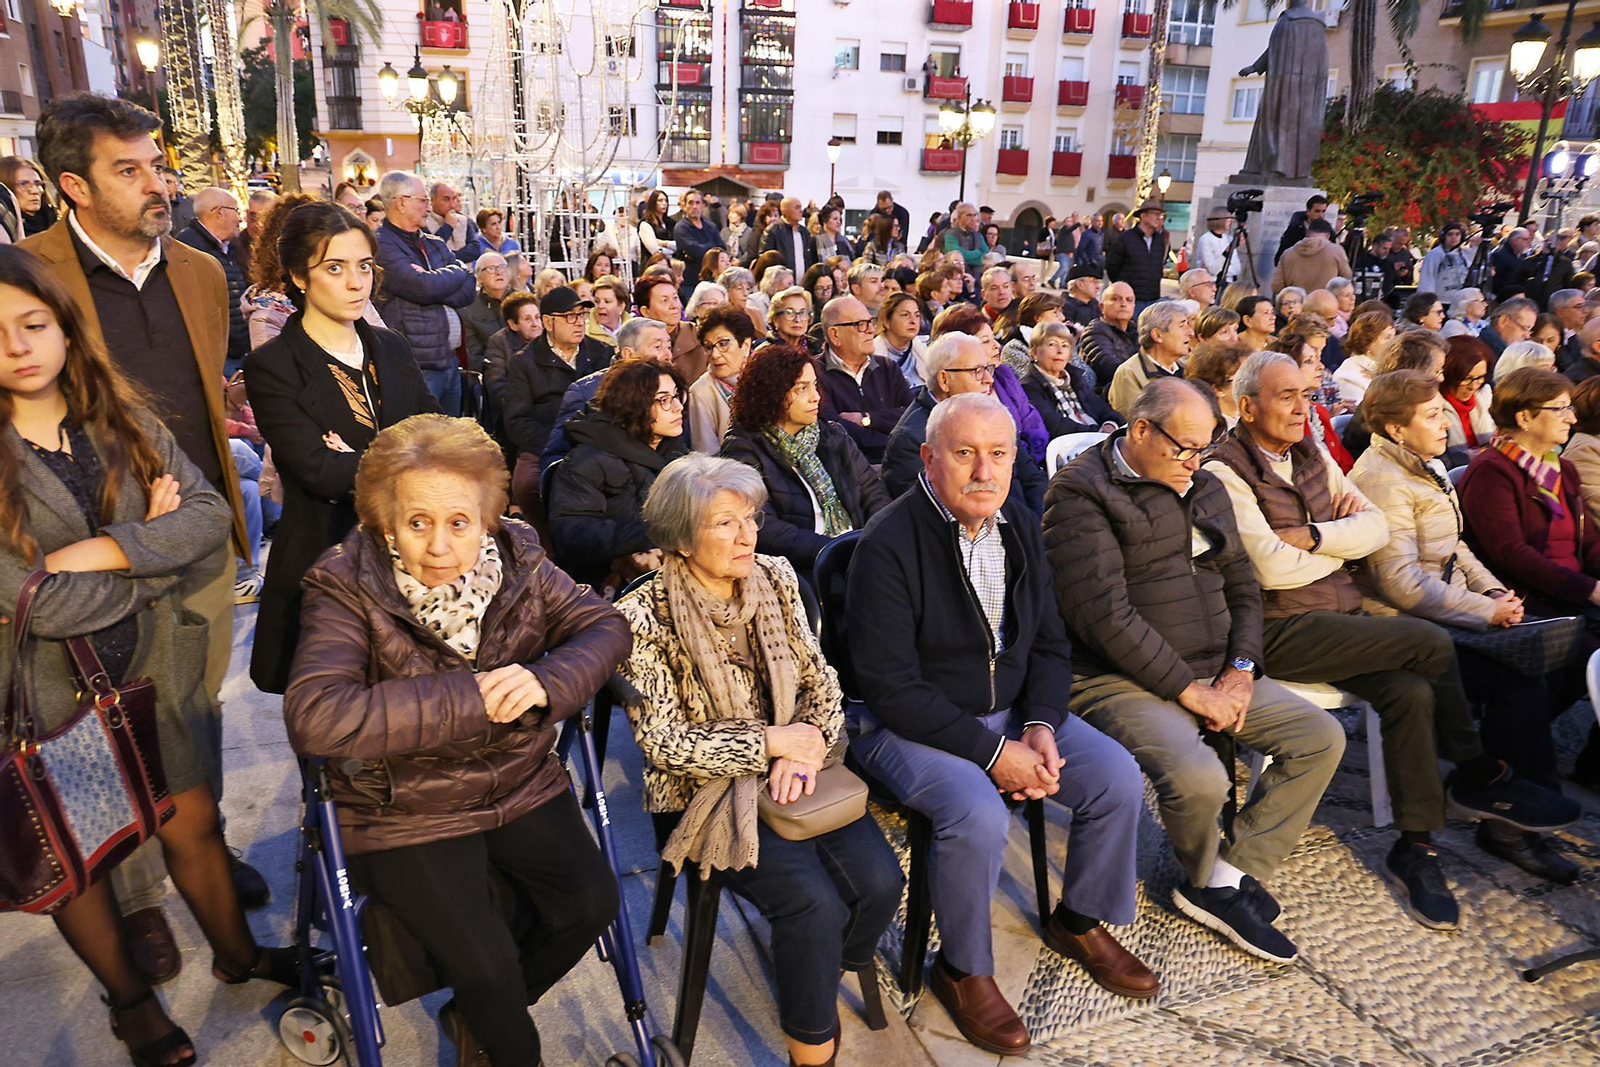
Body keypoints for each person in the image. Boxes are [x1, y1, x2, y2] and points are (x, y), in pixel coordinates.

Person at [0, 245, 298, 1067]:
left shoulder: (120, 418)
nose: (18, 345)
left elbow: (207, 511)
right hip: (52, 693)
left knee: (195, 824)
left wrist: (108, 549)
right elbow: (35, 600)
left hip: (156, 672)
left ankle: (238, 955)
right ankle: (132, 1002)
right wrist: (153, 561)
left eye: (32, 323)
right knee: (82, 857)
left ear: (63, 328)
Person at [285, 414, 631, 1067]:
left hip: (518, 778)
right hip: (404, 803)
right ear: (387, 520)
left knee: (592, 902)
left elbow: (605, 626)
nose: (439, 545)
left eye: (459, 522)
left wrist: (545, 677)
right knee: (486, 961)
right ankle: (507, 1045)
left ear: (489, 518)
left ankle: (473, 1015)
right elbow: (315, 713)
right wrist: (470, 697)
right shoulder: (344, 581)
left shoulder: (523, 556)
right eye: (418, 522)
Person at [1206, 352, 1579, 929]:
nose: (1302, 407)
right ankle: (1480, 773)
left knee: (1411, 690)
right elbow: (1269, 571)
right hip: (1272, 628)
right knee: (1428, 643)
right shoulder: (1226, 469)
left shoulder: (1313, 451)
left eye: (1306, 395)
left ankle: (1418, 847)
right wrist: (1338, 543)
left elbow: (1372, 530)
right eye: (1285, 397)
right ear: (1247, 405)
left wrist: (1310, 536)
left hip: (1340, 618)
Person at [26, 92, 264, 969]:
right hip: (93, 550)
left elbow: (208, 391)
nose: (155, 184)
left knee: (192, 713)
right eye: (129, 171)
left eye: (156, 165)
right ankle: (134, 895)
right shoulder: (31, 275)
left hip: (193, 532)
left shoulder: (201, 272)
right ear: (72, 187)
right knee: (95, 730)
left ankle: (202, 845)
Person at [849, 393, 1153, 1055]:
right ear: (930, 459)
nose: (984, 470)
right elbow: (891, 687)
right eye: (964, 454)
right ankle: (961, 968)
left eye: (999, 453)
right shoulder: (888, 545)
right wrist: (994, 754)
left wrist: (1041, 724)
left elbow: (1048, 643)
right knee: (978, 814)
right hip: (909, 726)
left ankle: (1077, 917)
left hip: (1013, 710)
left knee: (1116, 778)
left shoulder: (1016, 523)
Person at [612, 454, 901, 1067]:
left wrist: (809, 746)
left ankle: (817, 970)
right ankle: (812, 1046)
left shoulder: (774, 577)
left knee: (881, 884)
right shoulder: (644, 616)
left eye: (752, 518)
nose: (749, 535)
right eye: (726, 524)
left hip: (801, 771)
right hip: (703, 795)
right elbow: (663, 741)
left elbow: (821, 682)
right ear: (682, 538)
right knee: (813, 904)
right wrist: (770, 744)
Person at [1048, 377, 1343, 962]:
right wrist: (1190, 691)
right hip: (1117, 676)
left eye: (1204, 447)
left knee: (1320, 738)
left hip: (1213, 666)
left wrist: (1239, 669)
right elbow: (1104, 618)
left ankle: (1224, 877)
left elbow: (1243, 585)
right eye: (1183, 447)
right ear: (1139, 430)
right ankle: (1209, 882)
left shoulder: (1204, 485)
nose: (1194, 462)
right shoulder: (1081, 494)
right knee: (1201, 777)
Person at [1351, 370, 1581, 880]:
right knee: (1516, 679)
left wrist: (1493, 592)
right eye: (1432, 414)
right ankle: (1508, 816)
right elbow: (1402, 586)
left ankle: (1512, 805)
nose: (1449, 420)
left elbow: (1456, 545)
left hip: (1440, 613)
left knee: (1535, 665)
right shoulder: (1382, 480)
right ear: (1395, 428)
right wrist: (1482, 610)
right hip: (1398, 626)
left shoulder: (1423, 465)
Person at [244, 197, 441, 695]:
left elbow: (439, 437)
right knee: (340, 734)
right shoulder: (274, 365)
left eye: (365, 267)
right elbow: (318, 472)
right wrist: (401, 455)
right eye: (335, 267)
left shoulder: (389, 346)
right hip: (328, 560)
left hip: (414, 561)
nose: (357, 283)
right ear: (299, 276)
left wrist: (355, 455)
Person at [719, 343, 890, 577]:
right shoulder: (743, 450)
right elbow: (766, 528)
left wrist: (874, 542)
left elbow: (874, 494)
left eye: (815, 385)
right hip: (803, 570)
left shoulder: (832, 435)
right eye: (802, 389)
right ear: (773, 394)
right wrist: (835, 551)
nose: (815, 397)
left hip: (859, 552)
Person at [546, 357, 688, 592]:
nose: (677, 407)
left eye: (676, 396)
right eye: (663, 400)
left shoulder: (673, 449)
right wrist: (657, 533)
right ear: (634, 405)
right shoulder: (586, 462)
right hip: (609, 586)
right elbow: (573, 535)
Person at [882, 332, 1047, 512]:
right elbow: (932, 515)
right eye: (977, 371)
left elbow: (1032, 478)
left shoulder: (991, 415)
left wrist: (1033, 528)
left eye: (988, 369)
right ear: (944, 380)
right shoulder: (909, 440)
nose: (989, 379)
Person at [503, 286, 614, 529]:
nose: (579, 323)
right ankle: (545, 547)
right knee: (526, 484)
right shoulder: (524, 362)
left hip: (596, 443)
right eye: (569, 317)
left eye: (582, 316)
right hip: (543, 446)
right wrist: (555, 445)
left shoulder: (602, 353)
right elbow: (516, 421)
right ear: (548, 322)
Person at [371, 171, 478, 415]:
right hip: (416, 365)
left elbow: (468, 289)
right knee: (420, 443)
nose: (429, 208)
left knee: (449, 442)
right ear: (400, 202)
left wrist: (440, 281)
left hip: (449, 360)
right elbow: (421, 287)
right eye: (423, 200)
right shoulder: (381, 245)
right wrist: (450, 276)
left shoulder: (434, 243)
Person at [930, 302, 1050, 465]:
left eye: (994, 338)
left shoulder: (1003, 374)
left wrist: (1027, 460)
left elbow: (1032, 423)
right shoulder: (954, 396)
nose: (997, 346)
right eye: (985, 341)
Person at [175, 187, 251, 376]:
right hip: (219, 356)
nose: (240, 219)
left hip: (240, 350)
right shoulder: (186, 248)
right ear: (219, 212)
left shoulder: (232, 246)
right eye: (236, 211)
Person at [1271, 315, 1353, 471]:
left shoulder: (1318, 411)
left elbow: (1345, 463)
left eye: (1319, 353)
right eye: (1309, 360)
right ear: (1289, 367)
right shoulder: (1282, 418)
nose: (1321, 366)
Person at [1021, 320, 1121, 437]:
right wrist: (1098, 433)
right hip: (1070, 446)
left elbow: (1101, 407)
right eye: (1052, 344)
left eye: (1065, 345)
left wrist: (1110, 424)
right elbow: (1055, 425)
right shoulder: (1028, 386)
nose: (1060, 351)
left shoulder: (1075, 378)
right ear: (1034, 353)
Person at [1108, 300, 1193, 420]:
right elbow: (1137, 423)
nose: (1190, 332)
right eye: (1182, 326)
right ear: (1157, 335)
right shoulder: (1128, 373)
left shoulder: (1187, 369)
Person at [687, 303, 753, 454]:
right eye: (709, 347)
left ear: (745, 345)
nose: (715, 354)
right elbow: (706, 454)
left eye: (723, 344)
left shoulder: (766, 375)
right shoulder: (701, 392)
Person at [635, 271, 705, 380]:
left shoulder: (698, 335)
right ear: (645, 311)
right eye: (664, 300)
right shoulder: (636, 344)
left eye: (675, 298)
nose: (674, 306)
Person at [1106, 200, 1168, 310]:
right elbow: (1112, 266)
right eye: (1155, 214)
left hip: (1152, 297)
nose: (1159, 218)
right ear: (1143, 216)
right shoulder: (1125, 238)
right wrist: (1123, 288)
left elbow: (1159, 264)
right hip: (1131, 298)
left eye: (1160, 215)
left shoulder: (1159, 240)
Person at [1440, 336, 1495, 462]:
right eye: (1466, 378)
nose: (1473, 386)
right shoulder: (1433, 405)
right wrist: (1465, 458)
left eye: (1480, 377)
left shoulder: (1484, 394)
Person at [460, 251, 512, 378]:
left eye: (502, 267)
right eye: (490, 269)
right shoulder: (468, 309)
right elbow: (474, 357)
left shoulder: (524, 302)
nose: (499, 272)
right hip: (493, 375)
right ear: (479, 277)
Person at [1332, 308, 1398, 405]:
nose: (1394, 343)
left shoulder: (1394, 368)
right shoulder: (1348, 376)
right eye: (1387, 338)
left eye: (1394, 337)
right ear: (1367, 343)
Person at [1079, 280, 1139, 387]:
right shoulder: (1094, 332)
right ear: (1102, 307)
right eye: (1115, 299)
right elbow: (1109, 367)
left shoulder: (1139, 330)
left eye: (1129, 300)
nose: (1123, 304)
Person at [1184, 337, 1251, 428]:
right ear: (1217, 389)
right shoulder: (1209, 428)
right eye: (1242, 378)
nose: (1252, 382)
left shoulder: (1253, 417)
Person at [1271, 219, 1350, 297]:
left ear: (1307, 233)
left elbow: (1276, 286)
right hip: (1326, 304)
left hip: (1297, 305)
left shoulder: (1288, 253)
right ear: (1328, 235)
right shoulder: (1337, 251)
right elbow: (1347, 278)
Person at [998, 291, 1066, 376]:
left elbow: (1085, 378)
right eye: (1055, 313)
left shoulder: (1063, 342)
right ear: (1038, 318)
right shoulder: (1014, 349)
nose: (1062, 318)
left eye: (1061, 312)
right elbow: (1031, 384)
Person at [874, 289, 928, 388]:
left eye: (917, 315)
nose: (913, 321)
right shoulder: (872, 355)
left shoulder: (923, 351)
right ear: (887, 321)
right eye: (905, 315)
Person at [424, 180, 484, 264]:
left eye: (454, 199)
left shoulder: (464, 221)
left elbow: (475, 250)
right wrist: (448, 226)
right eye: (446, 199)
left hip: (466, 273)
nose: (452, 205)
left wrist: (449, 257)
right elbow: (432, 251)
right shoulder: (424, 223)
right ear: (433, 200)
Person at [0, 155, 58, 237]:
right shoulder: (6, 233)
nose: (35, 191)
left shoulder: (58, 221)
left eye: (37, 184)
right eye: (23, 184)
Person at [760, 196, 819, 276]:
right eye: (797, 208)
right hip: (781, 283)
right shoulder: (773, 230)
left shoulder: (804, 232)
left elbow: (810, 259)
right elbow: (765, 260)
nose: (801, 211)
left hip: (803, 284)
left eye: (801, 207)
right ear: (785, 212)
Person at [1419, 221, 1470, 300]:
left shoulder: (1465, 253)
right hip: (1441, 300)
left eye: (1457, 234)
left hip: (1461, 301)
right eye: (1450, 234)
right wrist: (1429, 301)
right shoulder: (1435, 254)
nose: (1454, 237)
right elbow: (1427, 279)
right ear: (1443, 236)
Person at [942, 202, 989, 287]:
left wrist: (972, 258)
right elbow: (957, 256)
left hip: (978, 280)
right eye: (969, 215)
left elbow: (986, 257)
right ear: (960, 217)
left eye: (974, 215)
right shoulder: (950, 235)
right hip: (958, 280)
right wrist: (978, 253)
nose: (973, 219)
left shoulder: (978, 235)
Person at [1272, 195, 1328, 264]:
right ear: (1308, 211)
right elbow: (1280, 258)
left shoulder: (1328, 230)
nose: (1321, 215)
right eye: (1317, 211)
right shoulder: (1294, 230)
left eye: (1323, 211)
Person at [1193, 208, 1241, 282]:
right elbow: (1213, 269)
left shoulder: (1229, 238)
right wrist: (1226, 253)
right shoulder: (1206, 239)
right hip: (1211, 282)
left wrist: (1223, 272)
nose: (1231, 221)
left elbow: (1237, 268)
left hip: (1229, 282)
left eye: (1231, 219)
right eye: (1228, 219)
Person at [719, 265, 767, 336]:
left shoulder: (756, 313)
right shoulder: (719, 316)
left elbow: (765, 341)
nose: (746, 294)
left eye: (747, 289)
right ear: (726, 290)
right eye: (739, 289)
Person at [587, 273, 632, 348]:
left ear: (621, 306)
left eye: (607, 301)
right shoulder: (585, 333)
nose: (600, 306)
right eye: (597, 301)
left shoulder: (636, 330)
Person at [1490, 229, 1534, 303]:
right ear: (1516, 241)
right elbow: (1495, 281)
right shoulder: (1500, 255)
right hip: (1502, 298)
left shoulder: (1523, 254)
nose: (1529, 242)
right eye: (1525, 239)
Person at [1076, 211, 1106, 275]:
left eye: (1101, 221)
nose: (1100, 223)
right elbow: (1081, 249)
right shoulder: (1087, 234)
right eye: (1098, 221)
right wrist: (1087, 261)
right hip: (1090, 263)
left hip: (1100, 263)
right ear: (1092, 222)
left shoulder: (1102, 233)